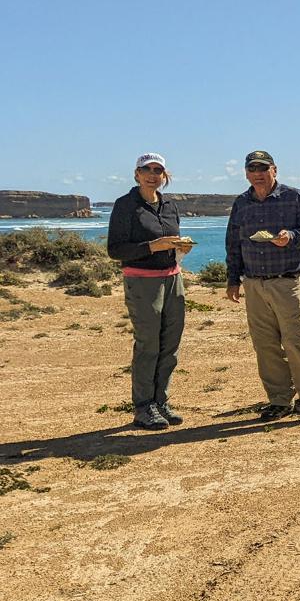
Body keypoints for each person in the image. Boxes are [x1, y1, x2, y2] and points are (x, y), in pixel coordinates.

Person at [224, 150, 300, 424]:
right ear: (246, 173)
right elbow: (233, 244)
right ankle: (280, 400)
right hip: (254, 283)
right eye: (252, 169)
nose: (257, 174)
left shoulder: (293, 197)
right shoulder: (242, 203)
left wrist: (292, 236)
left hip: (287, 282)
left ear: (274, 170)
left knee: (296, 341)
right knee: (265, 345)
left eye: (263, 168)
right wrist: (233, 280)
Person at [106, 153, 189, 430]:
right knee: (148, 344)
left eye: (158, 170)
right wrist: (152, 247)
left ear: (165, 175)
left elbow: (171, 243)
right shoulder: (126, 206)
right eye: (147, 169)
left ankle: (161, 401)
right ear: (137, 174)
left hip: (172, 279)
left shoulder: (169, 205)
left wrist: (180, 248)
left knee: (170, 344)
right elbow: (115, 250)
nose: (153, 174)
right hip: (142, 281)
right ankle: (143, 407)